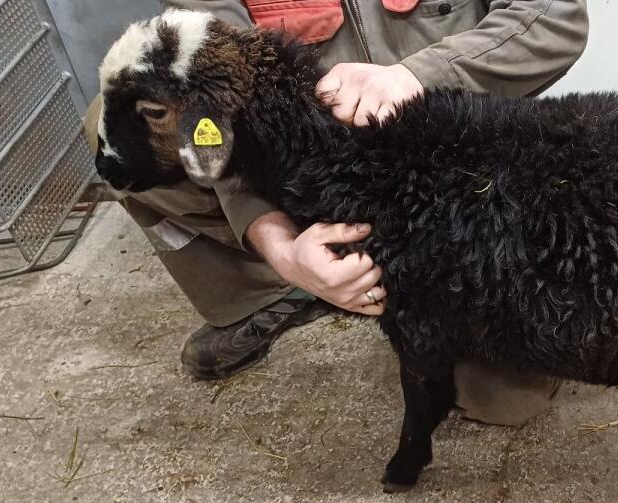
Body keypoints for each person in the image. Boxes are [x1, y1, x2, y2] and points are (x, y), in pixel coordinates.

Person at [83, 0, 589, 425]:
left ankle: (395, 273)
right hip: (308, 169)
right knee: (120, 129)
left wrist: (418, 75)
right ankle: (281, 287)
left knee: (501, 400)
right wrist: (283, 250)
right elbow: (212, 92)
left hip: (455, 173)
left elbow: (555, 17)